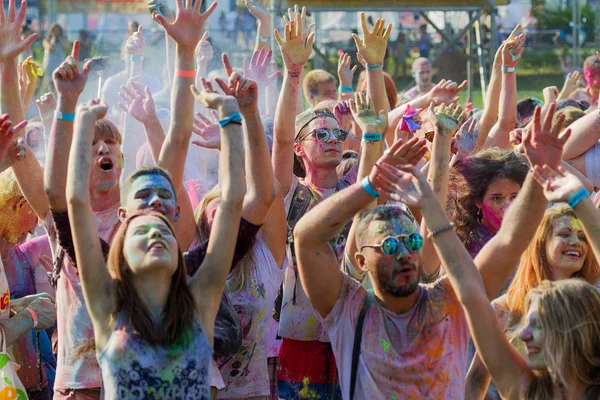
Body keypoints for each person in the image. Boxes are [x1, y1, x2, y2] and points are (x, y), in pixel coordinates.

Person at [65, 89, 244, 399]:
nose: (155, 234)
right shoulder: (108, 305)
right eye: (142, 231)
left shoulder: (200, 301)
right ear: (121, 251)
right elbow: (75, 201)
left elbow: (232, 202)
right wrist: (82, 125)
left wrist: (231, 117)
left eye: (163, 230)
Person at [272, 12, 390, 398]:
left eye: (337, 133)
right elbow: (280, 134)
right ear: (298, 148)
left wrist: (373, 67)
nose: (332, 139)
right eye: (319, 134)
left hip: (358, 334)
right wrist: (293, 74)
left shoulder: (353, 186)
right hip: (303, 342)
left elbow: (374, 129)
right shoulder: (291, 194)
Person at [466, 203, 600, 400]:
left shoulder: (590, 307)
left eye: (582, 238)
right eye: (564, 234)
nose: (576, 242)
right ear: (541, 242)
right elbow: (477, 380)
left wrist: (578, 196)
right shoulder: (504, 309)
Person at [451, 149, 529, 257]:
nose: (508, 208)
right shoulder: (467, 248)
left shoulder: (531, 235)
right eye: (497, 198)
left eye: (515, 197)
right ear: (478, 201)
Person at [42, 23, 69, 92]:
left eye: (58, 30)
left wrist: (60, 38)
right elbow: (51, 48)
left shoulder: (62, 40)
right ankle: (51, 99)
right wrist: (53, 38)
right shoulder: (46, 40)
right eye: (55, 30)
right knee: (51, 85)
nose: (57, 32)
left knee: (61, 84)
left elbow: (66, 48)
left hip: (59, 64)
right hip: (50, 65)